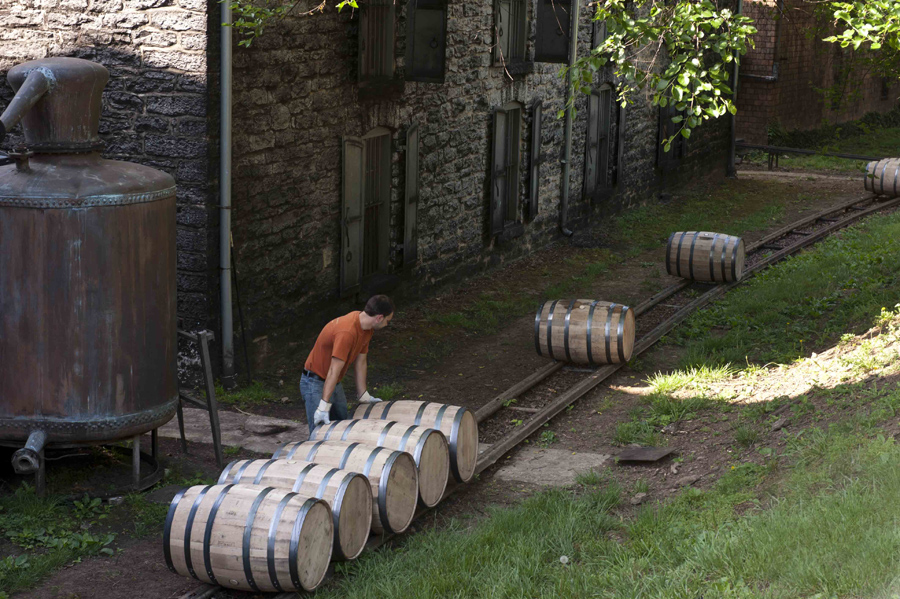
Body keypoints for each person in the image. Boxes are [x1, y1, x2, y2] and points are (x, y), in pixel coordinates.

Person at [300, 295, 394, 433]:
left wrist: (363, 395)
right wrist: (323, 406)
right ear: (379, 317)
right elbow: (334, 369)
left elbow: (361, 361)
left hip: (334, 382)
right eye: (388, 320)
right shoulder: (347, 332)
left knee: (342, 427)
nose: (387, 324)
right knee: (319, 433)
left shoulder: (366, 328)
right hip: (314, 382)